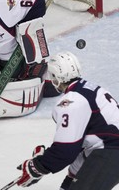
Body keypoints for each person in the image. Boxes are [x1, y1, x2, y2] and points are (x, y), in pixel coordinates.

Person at [16, 51, 119, 189]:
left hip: (110, 153)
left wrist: (38, 166)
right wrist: (46, 162)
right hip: (108, 152)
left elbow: (66, 149)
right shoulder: (93, 90)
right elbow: (79, 149)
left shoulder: (71, 101)